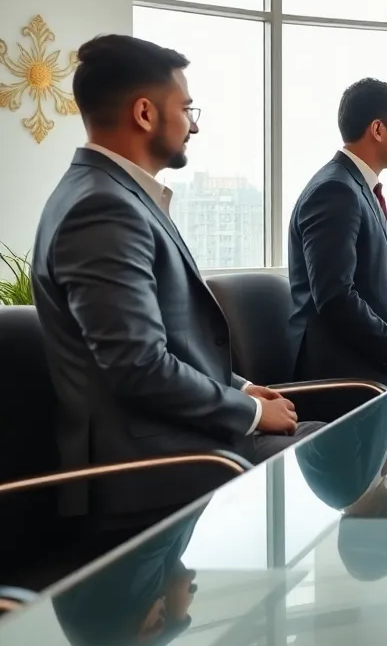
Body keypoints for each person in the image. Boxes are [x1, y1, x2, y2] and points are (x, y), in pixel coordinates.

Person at [31, 35, 317, 518]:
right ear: (145, 114)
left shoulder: (115, 196)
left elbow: (169, 344)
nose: (193, 126)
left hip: (178, 443)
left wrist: (243, 389)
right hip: (146, 471)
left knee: (330, 446)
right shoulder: (102, 209)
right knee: (328, 456)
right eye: (186, 109)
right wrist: (248, 413)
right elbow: (138, 365)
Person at [287, 78, 387, 388]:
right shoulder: (336, 190)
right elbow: (336, 297)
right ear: (378, 129)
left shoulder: (358, 188)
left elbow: (375, 292)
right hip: (344, 376)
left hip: (369, 367)